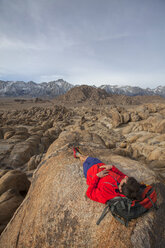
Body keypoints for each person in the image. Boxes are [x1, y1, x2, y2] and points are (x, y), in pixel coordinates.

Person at [73, 147, 142, 204]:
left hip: (90, 172)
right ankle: (79, 155)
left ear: (120, 189)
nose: (126, 177)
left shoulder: (106, 193)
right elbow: (123, 175)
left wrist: (97, 177)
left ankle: (78, 155)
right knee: (88, 158)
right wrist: (112, 167)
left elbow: (89, 193)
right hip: (99, 164)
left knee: (85, 161)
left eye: (125, 179)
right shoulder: (125, 184)